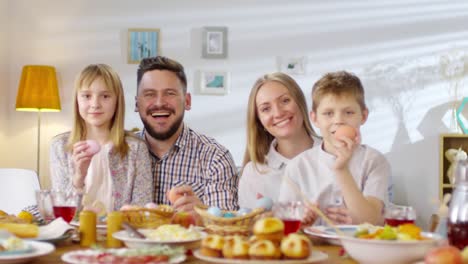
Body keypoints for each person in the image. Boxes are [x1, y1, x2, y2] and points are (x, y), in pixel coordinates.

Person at [278, 71, 390, 225]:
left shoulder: (374, 161)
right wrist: (302, 224)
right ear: (315, 118)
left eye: (348, 112)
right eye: (328, 113)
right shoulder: (297, 166)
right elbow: (284, 225)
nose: (338, 120)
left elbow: (370, 221)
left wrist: (341, 169)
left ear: (363, 116)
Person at [134, 56, 239, 212]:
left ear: (187, 101)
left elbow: (226, 227)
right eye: (149, 94)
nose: (159, 103)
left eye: (169, 93)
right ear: (137, 103)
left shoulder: (215, 158)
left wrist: (202, 214)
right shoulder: (120, 153)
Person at [50, 64, 153, 212]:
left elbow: (142, 210)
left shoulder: (136, 148)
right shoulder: (60, 146)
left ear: (117, 101)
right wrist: (78, 177)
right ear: (77, 100)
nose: (95, 104)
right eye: (86, 96)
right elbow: (60, 213)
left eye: (105, 96)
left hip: (119, 234)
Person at [238, 72, 320, 209]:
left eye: (285, 101)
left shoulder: (337, 156)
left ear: (300, 103)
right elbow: (250, 227)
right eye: (266, 109)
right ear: (259, 122)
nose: (278, 113)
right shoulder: (253, 173)